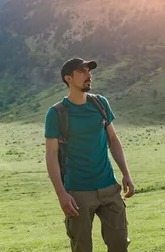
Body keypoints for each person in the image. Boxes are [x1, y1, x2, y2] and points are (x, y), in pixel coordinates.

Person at [45, 57, 135, 252]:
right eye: (83, 72)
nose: (89, 75)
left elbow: (113, 140)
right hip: (78, 193)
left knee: (120, 244)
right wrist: (61, 194)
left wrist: (126, 174)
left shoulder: (100, 104)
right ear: (68, 78)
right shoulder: (57, 113)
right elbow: (51, 155)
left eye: (89, 71)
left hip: (109, 187)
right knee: (82, 247)